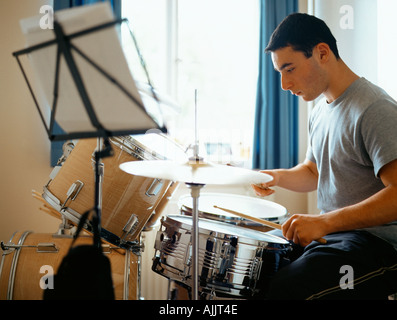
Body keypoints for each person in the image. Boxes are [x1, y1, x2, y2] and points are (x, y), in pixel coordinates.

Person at [252, 13, 397, 299]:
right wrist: (274, 176)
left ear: (321, 53)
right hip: (334, 236)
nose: (283, 84)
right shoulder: (320, 109)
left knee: (288, 288)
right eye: (279, 72)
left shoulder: (374, 108)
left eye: (289, 69)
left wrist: (324, 222)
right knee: (255, 261)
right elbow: (314, 172)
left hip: (378, 243)